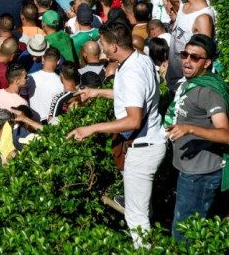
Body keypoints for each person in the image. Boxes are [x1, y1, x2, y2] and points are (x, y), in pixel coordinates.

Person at [68, 21, 166, 247]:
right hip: (150, 143)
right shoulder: (139, 59)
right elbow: (130, 95)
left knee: (136, 216)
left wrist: (92, 128)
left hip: (142, 149)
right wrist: (97, 93)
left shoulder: (131, 72)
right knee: (143, 209)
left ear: (113, 47)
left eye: (102, 44)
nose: (101, 48)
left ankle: (145, 250)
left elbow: (133, 119)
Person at [163, 34, 229, 241]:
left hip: (200, 176)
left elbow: (226, 134)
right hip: (189, 171)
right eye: (185, 54)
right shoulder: (190, 82)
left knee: (184, 236)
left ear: (207, 62)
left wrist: (190, 129)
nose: (187, 61)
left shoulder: (209, 92)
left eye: (194, 57)